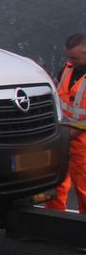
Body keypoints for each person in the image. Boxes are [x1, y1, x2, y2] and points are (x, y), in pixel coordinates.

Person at [46, 32, 86, 212]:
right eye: (68, 56)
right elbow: (56, 89)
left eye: (74, 57)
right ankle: (53, 223)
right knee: (56, 185)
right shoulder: (68, 68)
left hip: (81, 143)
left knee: (84, 189)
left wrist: (67, 136)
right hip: (63, 136)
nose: (70, 60)